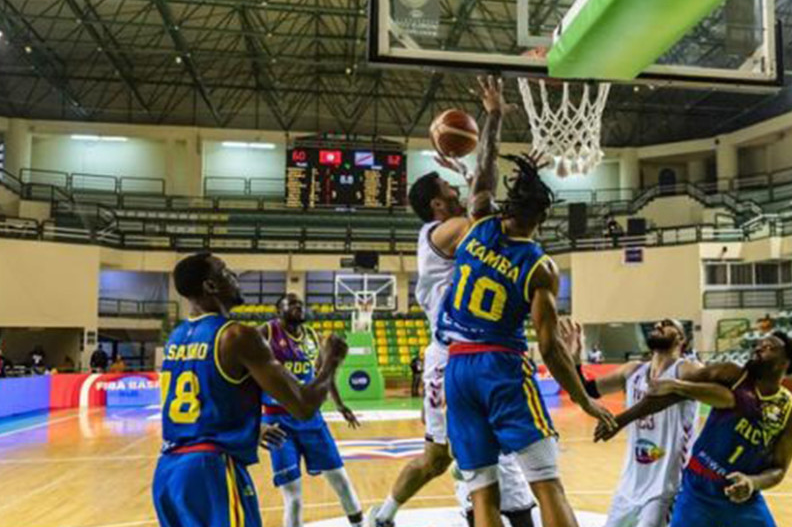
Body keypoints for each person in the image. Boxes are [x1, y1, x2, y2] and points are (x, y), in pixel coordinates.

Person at [374, 76, 535, 527]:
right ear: (437, 207)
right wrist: (493, 119)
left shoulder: (455, 228)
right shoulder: (437, 235)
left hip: (477, 355)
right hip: (451, 361)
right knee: (453, 457)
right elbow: (482, 197)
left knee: (441, 458)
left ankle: (383, 514)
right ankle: (390, 514)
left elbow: (481, 198)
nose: (455, 190)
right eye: (448, 190)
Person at [438, 145, 616, 525]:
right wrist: (583, 399)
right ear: (542, 217)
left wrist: (495, 115)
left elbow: (483, 176)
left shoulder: (480, 222)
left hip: (457, 367)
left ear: (508, 204)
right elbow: (550, 348)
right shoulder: (540, 266)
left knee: (483, 494)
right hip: (500, 369)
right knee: (547, 485)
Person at [152, 252, 347, 527]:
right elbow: (303, 406)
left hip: (169, 472)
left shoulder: (177, 336)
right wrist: (331, 363)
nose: (233, 276)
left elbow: (201, 398)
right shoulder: (237, 335)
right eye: (226, 271)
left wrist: (250, 427)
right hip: (212, 469)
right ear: (211, 286)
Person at [598, 333, 792, 527]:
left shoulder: (791, 412)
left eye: (769, 347)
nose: (759, 348)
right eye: (758, 344)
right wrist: (622, 419)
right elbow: (670, 396)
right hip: (697, 491)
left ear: (784, 362)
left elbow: (778, 469)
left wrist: (752, 482)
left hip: (742, 497)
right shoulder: (731, 375)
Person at [571, 318, 700, 527]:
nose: (658, 325)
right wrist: (575, 358)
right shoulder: (633, 371)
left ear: (681, 339)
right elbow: (585, 392)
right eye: (657, 324)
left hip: (665, 488)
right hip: (629, 485)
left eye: (667, 324)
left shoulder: (686, 370)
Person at [257, 293, 365, 527]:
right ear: (278, 310)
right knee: (293, 497)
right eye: (291, 303)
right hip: (278, 421)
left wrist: (339, 404)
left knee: (341, 480)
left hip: (311, 418)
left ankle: (359, 524)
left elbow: (322, 375)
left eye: (301, 303)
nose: (298, 306)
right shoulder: (265, 333)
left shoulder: (313, 336)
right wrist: (256, 421)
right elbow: (249, 376)